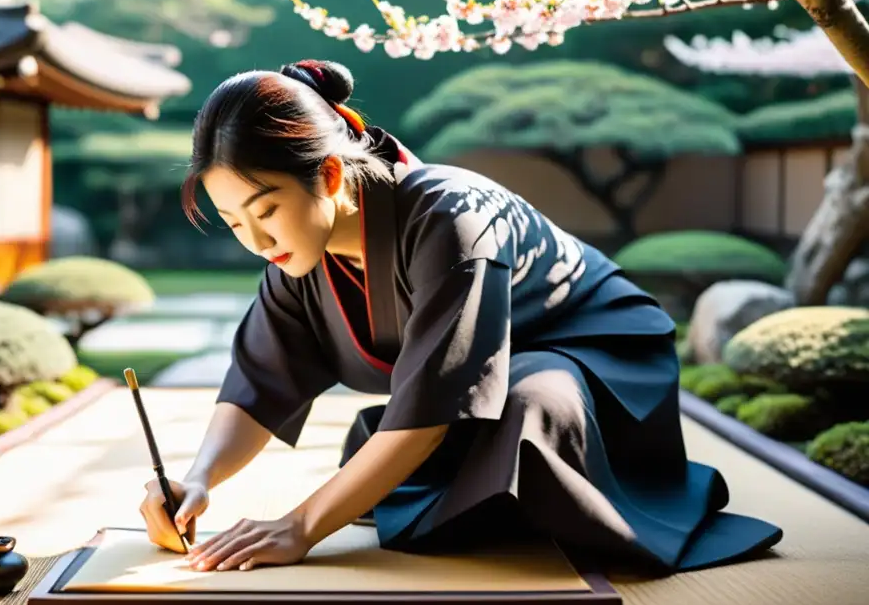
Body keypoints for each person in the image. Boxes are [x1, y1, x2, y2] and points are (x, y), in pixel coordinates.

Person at [139, 58, 783, 575]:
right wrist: (196, 481)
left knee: (532, 406)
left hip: (596, 353)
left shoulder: (450, 217)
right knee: (409, 444)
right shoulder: (295, 257)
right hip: (482, 381)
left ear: (329, 173)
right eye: (233, 223)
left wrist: (301, 525)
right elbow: (258, 384)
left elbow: (429, 410)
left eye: (266, 209)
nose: (254, 239)